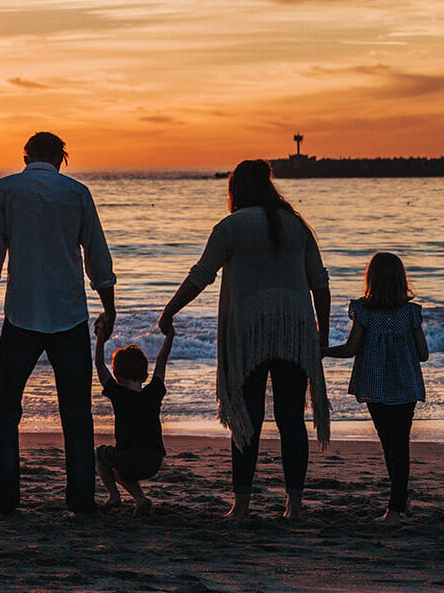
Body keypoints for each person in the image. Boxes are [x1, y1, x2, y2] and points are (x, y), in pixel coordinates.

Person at [158, 159, 331, 521]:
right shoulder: (298, 226)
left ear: (235, 190)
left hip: (248, 333)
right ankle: (294, 506)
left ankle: (241, 505)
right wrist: (321, 333)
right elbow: (320, 282)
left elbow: (200, 276)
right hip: (294, 330)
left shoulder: (231, 227)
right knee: (291, 419)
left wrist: (170, 310)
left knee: (246, 416)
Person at [0, 131, 115, 516]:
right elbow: (97, 256)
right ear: (61, 158)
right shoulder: (77, 193)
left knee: (6, 410)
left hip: (22, 314)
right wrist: (110, 305)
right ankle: (81, 500)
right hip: (69, 314)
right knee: (76, 412)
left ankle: (6, 500)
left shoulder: (4, 190)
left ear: (25, 156)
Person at [324, 252, 429, 519]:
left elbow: (350, 349)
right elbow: (424, 353)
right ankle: (398, 503)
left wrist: (323, 351)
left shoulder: (363, 311)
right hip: (405, 384)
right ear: (400, 280)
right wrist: (401, 349)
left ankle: (396, 506)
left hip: (374, 384)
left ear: (371, 279)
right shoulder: (411, 313)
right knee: (400, 442)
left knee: (387, 442)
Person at [94, 330, 173, 515]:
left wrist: (100, 336)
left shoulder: (118, 394)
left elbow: (99, 364)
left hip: (129, 458)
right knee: (119, 468)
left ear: (117, 378)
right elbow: (162, 360)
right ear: (145, 376)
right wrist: (170, 335)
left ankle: (114, 496)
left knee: (99, 454)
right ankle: (141, 499)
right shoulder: (154, 392)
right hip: (154, 460)